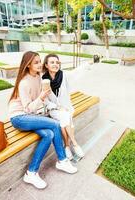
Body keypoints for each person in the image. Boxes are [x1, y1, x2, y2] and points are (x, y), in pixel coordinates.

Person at [8, 51, 77, 190]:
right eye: (36, 62)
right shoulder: (24, 82)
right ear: (28, 65)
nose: (40, 65)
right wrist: (41, 98)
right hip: (19, 118)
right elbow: (28, 109)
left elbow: (41, 102)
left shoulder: (39, 77)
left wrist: (49, 101)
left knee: (49, 134)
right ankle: (62, 160)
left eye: (40, 62)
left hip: (32, 116)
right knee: (55, 124)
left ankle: (31, 172)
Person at [42, 54, 84, 160]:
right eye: (52, 62)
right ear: (46, 65)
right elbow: (45, 100)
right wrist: (57, 107)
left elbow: (76, 72)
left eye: (57, 62)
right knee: (65, 116)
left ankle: (67, 146)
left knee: (65, 117)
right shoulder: (44, 80)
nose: (55, 64)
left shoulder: (63, 75)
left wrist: (88, 64)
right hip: (53, 109)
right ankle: (74, 143)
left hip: (67, 107)